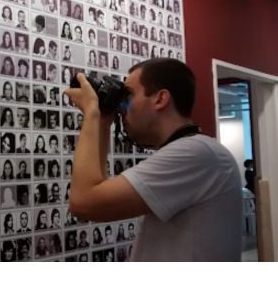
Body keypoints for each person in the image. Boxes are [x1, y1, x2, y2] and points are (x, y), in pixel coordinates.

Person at [65, 58, 243, 261]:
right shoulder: (197, 152)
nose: (122, 108)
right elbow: (96, 195)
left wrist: (92, 114)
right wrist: (104, 123)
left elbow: (83, 202)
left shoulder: (196, 153)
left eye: (128, 95)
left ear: (160, 99)